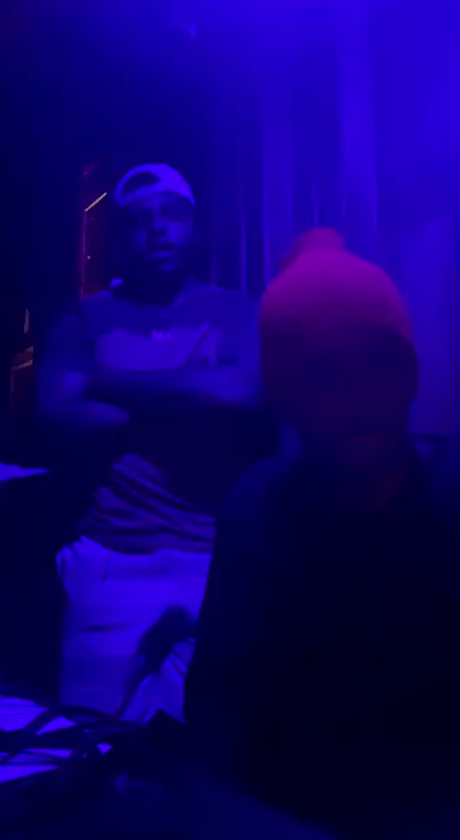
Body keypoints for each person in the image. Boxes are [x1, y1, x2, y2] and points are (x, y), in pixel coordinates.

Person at [185, 229, 460, 838]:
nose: (361, 394)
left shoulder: (448, 501)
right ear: (288, 396)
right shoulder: (258, 509)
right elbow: (216, 720)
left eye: (381, 363)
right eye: (328, 372)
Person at [37, 163, 275, 721]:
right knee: (91, 744)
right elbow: (57, 412)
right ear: (120, 240)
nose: (158, 228)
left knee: (206, 744)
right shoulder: (86, 317)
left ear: (196, 230)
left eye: (172, 214)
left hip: (215, 563)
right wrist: (194, 397)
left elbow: (240, 393)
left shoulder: (239, 312)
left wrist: (104, 382)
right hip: (110, 560)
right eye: (139, 220)